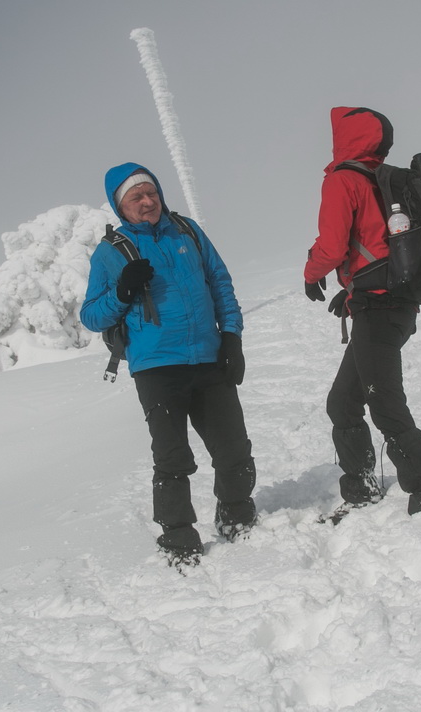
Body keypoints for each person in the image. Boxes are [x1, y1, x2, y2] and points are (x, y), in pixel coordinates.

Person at [81, 162, 257, 567]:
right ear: (120, 206)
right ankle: (178, 538)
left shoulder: (187, 231)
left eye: (152, 193)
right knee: (172, 456)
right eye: (136, 197)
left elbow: (220, 282)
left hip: (209, 357)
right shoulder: (110, 252)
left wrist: (232, 337)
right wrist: (122, 291)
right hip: (156, 367)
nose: (148, 202)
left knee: (233, 447)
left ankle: (237, 517)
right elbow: (91, 316)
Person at [304, 107, 421, 517]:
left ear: (344, 139)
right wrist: (353, 290)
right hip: (389, 303)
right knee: (343, 402)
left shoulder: (343, 180)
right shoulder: (382, 178)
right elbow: (376, 245)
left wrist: (311, 273)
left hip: (379, 307)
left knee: (384, 401)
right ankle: (361, 485)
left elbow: (332, 246)